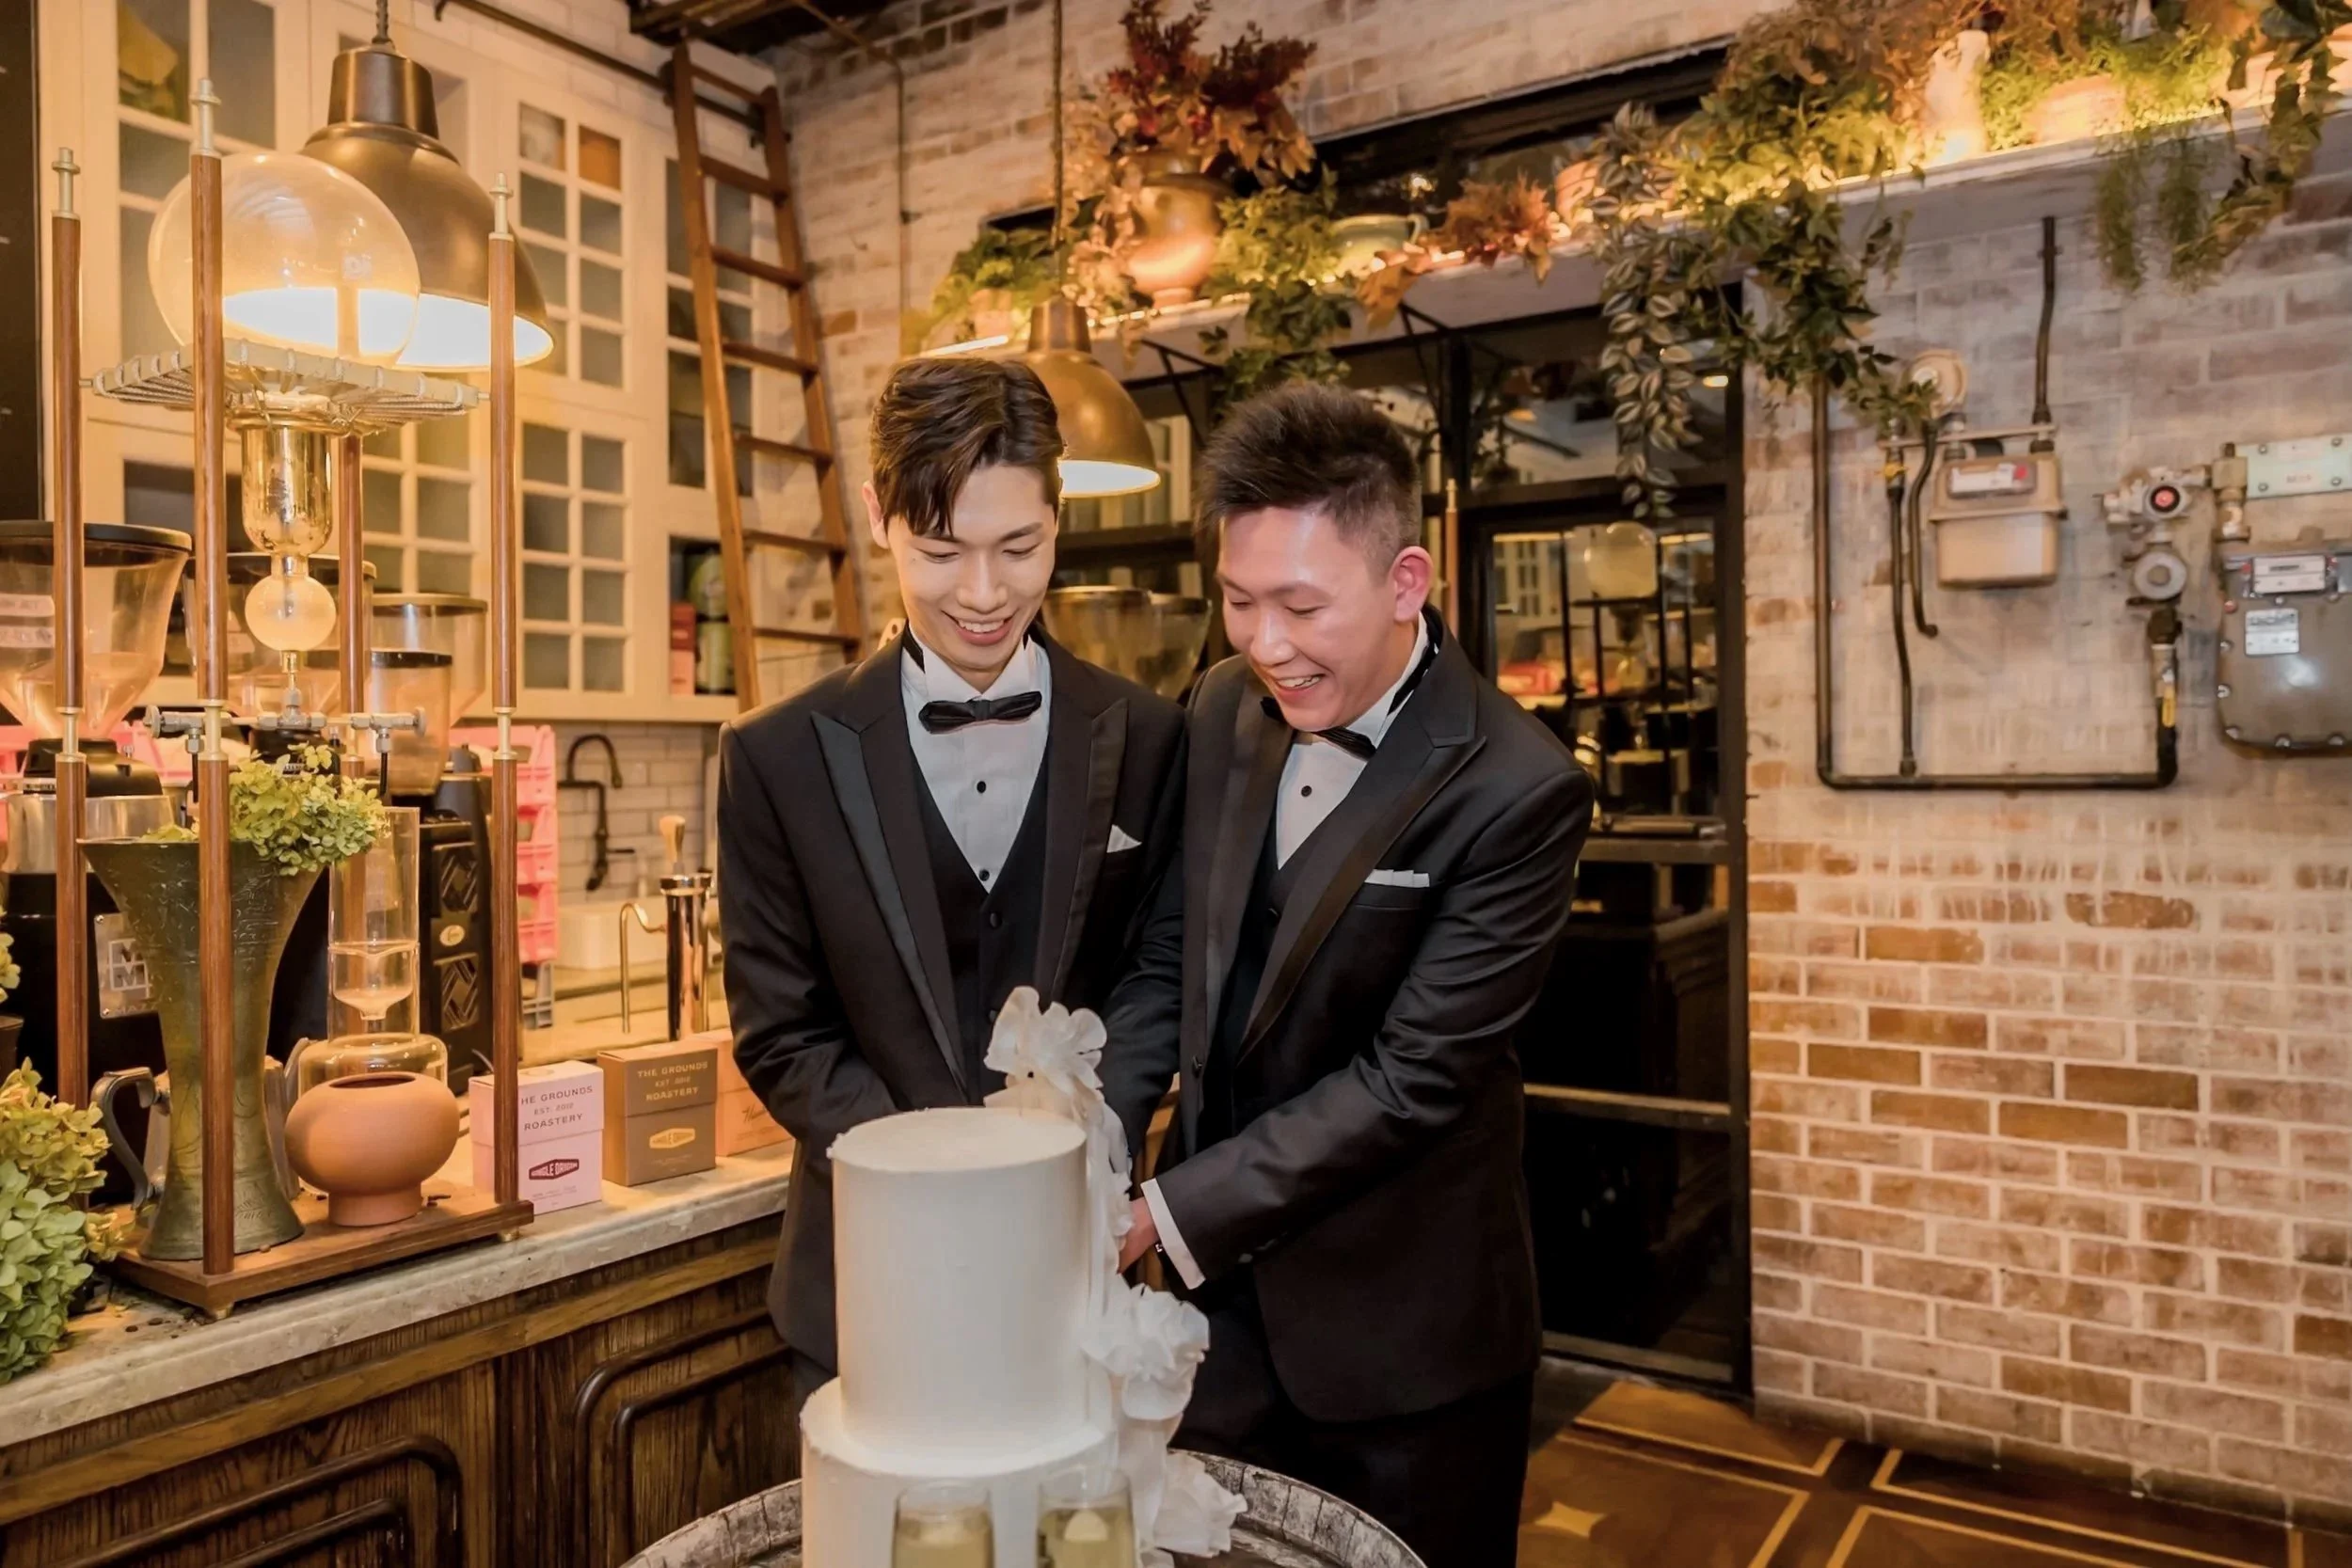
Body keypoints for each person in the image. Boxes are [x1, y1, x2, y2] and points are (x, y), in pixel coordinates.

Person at [1101, 383, 1593, 1568]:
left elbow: (1411, 1077)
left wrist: (1162, 1211)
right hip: (1214, 1325)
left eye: (1301, 605)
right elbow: (1173, 948)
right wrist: (1093, 1143)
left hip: (1409, 1342)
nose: (1264, 641)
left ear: (1405, 581)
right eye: (1238, 600)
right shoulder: (1222, 707)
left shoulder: (1518, 786)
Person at [720, 357, 1185, 1416]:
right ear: (880, 515)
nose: (982, 593)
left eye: (1018, 547)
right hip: (860, 1281)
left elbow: (1158, 971)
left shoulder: (1151, 736)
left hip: (1080, 1280)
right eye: (940, 551)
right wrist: (935, 1172)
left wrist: (1079, 1142)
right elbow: (780, 1031)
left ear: (1057, 521)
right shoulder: (775, 756)